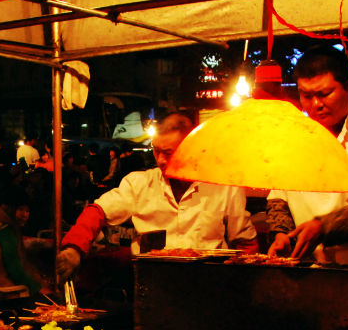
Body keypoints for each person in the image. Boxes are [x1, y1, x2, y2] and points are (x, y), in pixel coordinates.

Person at [55, 112, 258, 281]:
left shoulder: (224, 187)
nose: (160, 160)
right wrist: (74, 247)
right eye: (156, 151)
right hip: (150, 284)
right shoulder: (139, 183)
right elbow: (98, 211)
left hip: (207, 285)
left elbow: (245, 244)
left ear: (191, 149)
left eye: (168, 153)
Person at [267, 46, 348, 264]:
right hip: (308, 267)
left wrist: (325, 227)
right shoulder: (295, 136)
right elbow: (278, 197)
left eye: (324, 94)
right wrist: (281, 233)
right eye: (306, 95)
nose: (316, 105)